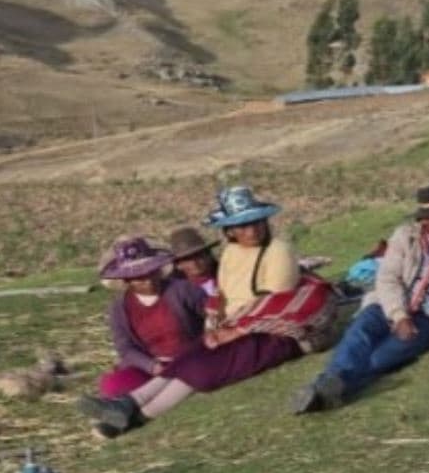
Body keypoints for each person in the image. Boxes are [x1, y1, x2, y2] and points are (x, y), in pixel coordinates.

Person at [80, 187, 325, 437]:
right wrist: (215, 319)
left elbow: (275, 302)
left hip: (265, 330)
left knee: (199, 369)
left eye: (255, 223)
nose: (251, 231)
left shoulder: (277, 251)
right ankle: (127, 403)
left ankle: (134, 419)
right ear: (229, 230)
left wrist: (233, 330)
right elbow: (222, 294)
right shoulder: (231, 253)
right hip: (225, 329)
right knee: (187, 358)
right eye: (242, 226)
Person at [291, 182, 429, 413]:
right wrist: (399, 315)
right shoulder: (405, 236)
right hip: (388, 304)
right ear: (424, 221)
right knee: (359, 334)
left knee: (381, 358)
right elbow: (388, 278)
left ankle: (325, 391)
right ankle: (328, 385)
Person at [96, 236, 206, 399]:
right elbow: (125, 347)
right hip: (151, 366)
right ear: (127, 280)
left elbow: (210, 315)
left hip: (191, 358)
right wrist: (151, 366)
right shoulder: (119, 308)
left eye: (151, 273)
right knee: (113, 385)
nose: (148, 281)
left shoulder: (182, 290)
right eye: (140, 278)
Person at [165, 225, 223, 317]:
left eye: (199, 256)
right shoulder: (174, 293)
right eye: (187, 259)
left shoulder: (228, 276)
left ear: (208, 256)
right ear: (178, 265)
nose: (194, 263)